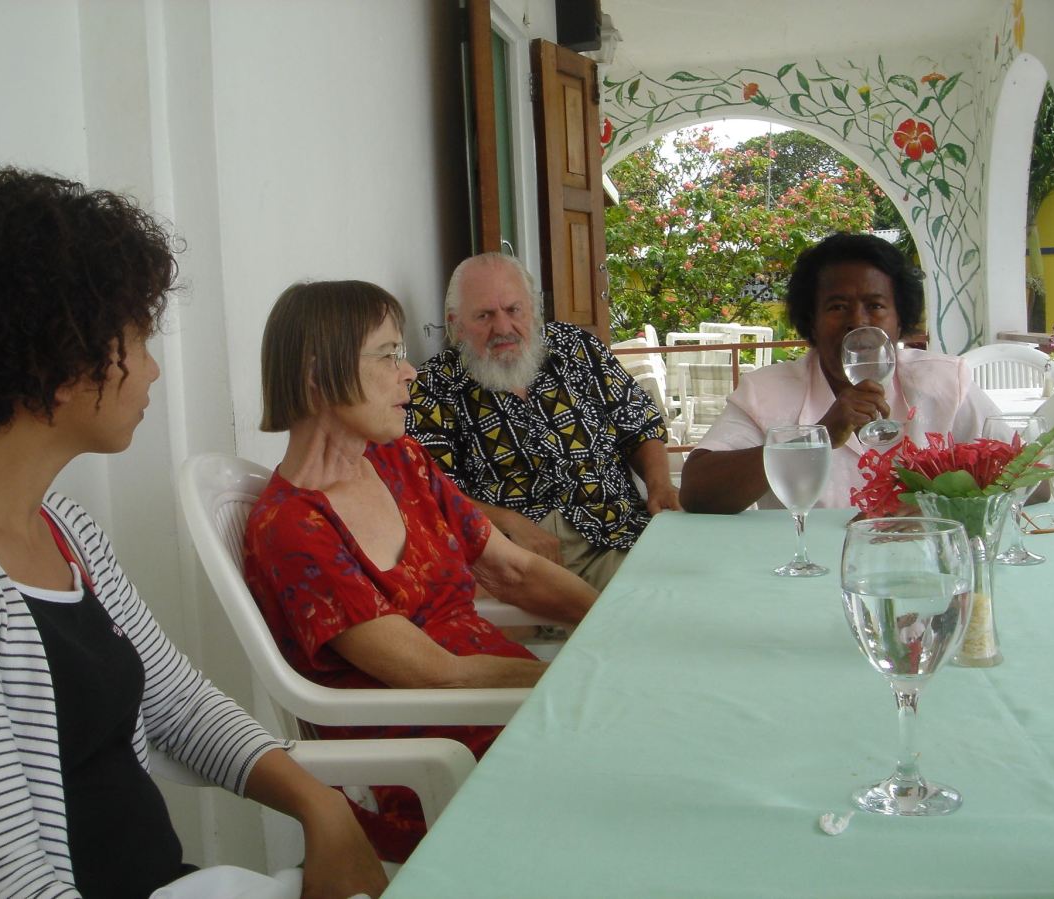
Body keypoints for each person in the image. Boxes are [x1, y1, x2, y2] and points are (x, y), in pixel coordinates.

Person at [0, 168, 385, 899]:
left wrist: (321, 806)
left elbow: (178, 704)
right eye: (138, 337)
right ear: (62, 362)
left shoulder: (63, 531)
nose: (154, 370)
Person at [242, 279, 598, 861]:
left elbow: (510, 569)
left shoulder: (398, 458)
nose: (411, 372)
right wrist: (585, 681)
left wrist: (613, 627)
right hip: (436, 752)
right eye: (388, 354)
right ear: (316, 373)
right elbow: (437, 675)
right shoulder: (291, 528)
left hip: (507, 706)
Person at [407, 253, 680, 592]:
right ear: (456, 324)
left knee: (682, 594)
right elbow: (429, 490)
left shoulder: (575, 349)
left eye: (513, 310)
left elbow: (638, 423)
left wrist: (659, 485)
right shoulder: (434, 387)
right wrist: (507, 523)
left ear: (533, 310)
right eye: (484, 316)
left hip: (617, 532)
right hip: (520, 557)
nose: (503, 328)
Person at [680, 232, 1002, 514]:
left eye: (875, 306)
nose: (857, 321)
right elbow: (697, 492)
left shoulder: (945, 382)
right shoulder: (765, 391)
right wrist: (814, 439)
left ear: (900, 320)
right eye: (837, 307)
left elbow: (1026, 479)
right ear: (812, 322)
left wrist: (934, 505)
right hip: (806, 571)